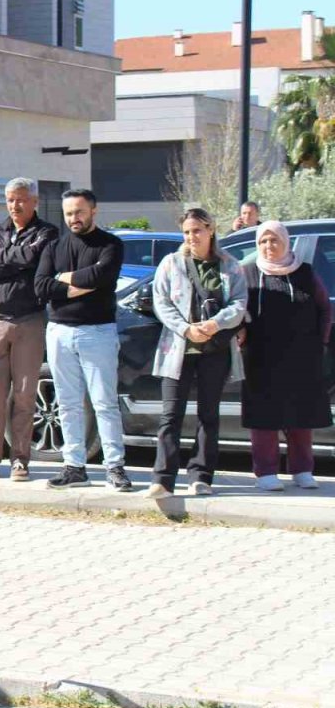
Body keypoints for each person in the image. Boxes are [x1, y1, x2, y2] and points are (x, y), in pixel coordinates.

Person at [34, 189, 130, 491]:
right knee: (68, 404)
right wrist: (78, 282)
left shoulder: (110, 244)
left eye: (79, 212)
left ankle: (114, 467)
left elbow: (102, 278)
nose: (74, 218)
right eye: (69, 213)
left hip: (98, 332)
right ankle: (74, 467)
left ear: (93, 211)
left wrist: (63, 279)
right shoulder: (54, 246)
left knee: (104, 403)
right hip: (59, 331)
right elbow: (40, 286)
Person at [147, 208, 247, 498]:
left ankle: (201, 476)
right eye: (187, 232)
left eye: (197, 231)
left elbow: (240, 303)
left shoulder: (231, 265)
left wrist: (216, 323)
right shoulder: (171, 263)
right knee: (170, 415)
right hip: (178, 349)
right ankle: (163, 479)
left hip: (215, 350)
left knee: (208, 415)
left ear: (211, 230)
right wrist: (185, 329)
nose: (192, 237)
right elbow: (161, 302)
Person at [0, 178, 57, 480]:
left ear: (34, 201)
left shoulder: (46, 233)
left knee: (23, 394)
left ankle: (20, 459)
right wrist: (9, 260)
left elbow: (32, 257)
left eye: (20, 200)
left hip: (29, 321)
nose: (14, 206)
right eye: (9, 200)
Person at [240, 221, 332, 491]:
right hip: (261, 357)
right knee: (264, 416)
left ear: (285, 242)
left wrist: (321, 342)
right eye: (263, 242)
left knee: (301, 414)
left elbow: (325, 309)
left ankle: (302, 470)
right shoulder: (247, 273)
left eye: (274, 240)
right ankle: (266, 472)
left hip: (302, 357)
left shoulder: (304, 272)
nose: (269, 246)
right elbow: (237, 309)